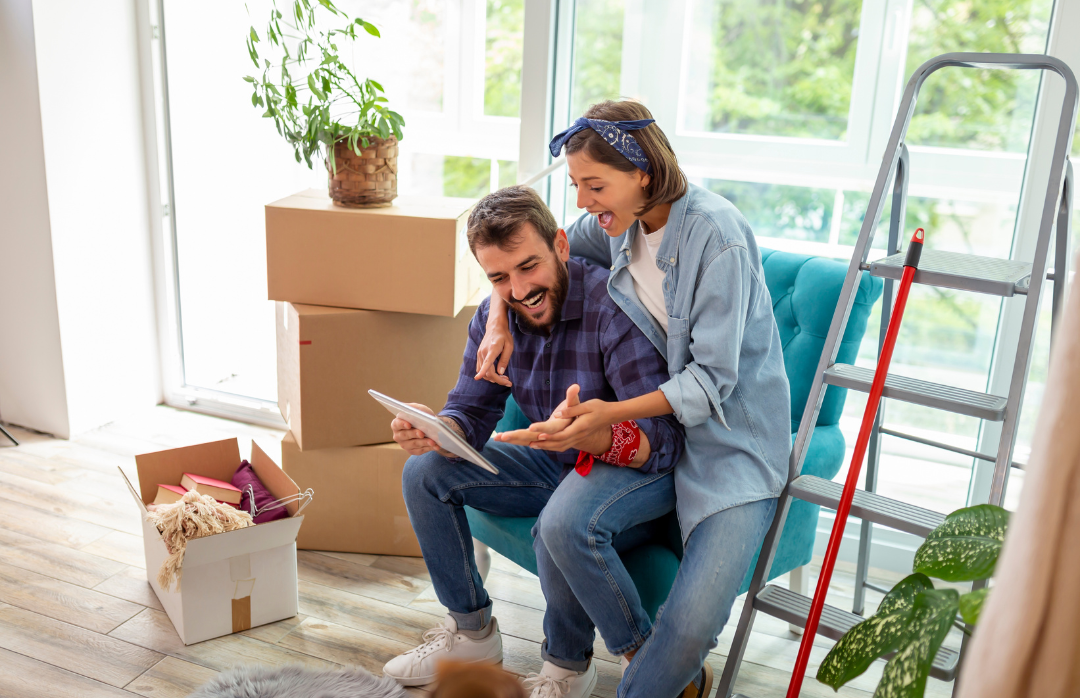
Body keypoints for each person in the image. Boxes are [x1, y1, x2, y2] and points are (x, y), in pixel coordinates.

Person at [476, 100, 791, 698]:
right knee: (560, 526)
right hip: (660, 447)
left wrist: (611, 414)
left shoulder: (717, 236)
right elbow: (528, 258)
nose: (585, 201)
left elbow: (710, 381)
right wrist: (497, 316)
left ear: (642, 171)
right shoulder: (616, 226)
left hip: (731, 450)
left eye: (595, 185)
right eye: (577, 186)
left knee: (691, 624)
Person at [381, 185, 686, 698]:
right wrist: (436, 431)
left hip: (637, 473)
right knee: (424, 472)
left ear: (561, 246)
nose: (518, 290)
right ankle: (471, 633)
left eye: (528, 267)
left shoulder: (613, 311)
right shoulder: (495, 317)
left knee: (558, 523)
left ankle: (567, 668)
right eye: (499, 277)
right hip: (558, 463)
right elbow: (471, 410)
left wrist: (601, 435)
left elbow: (665, 438)